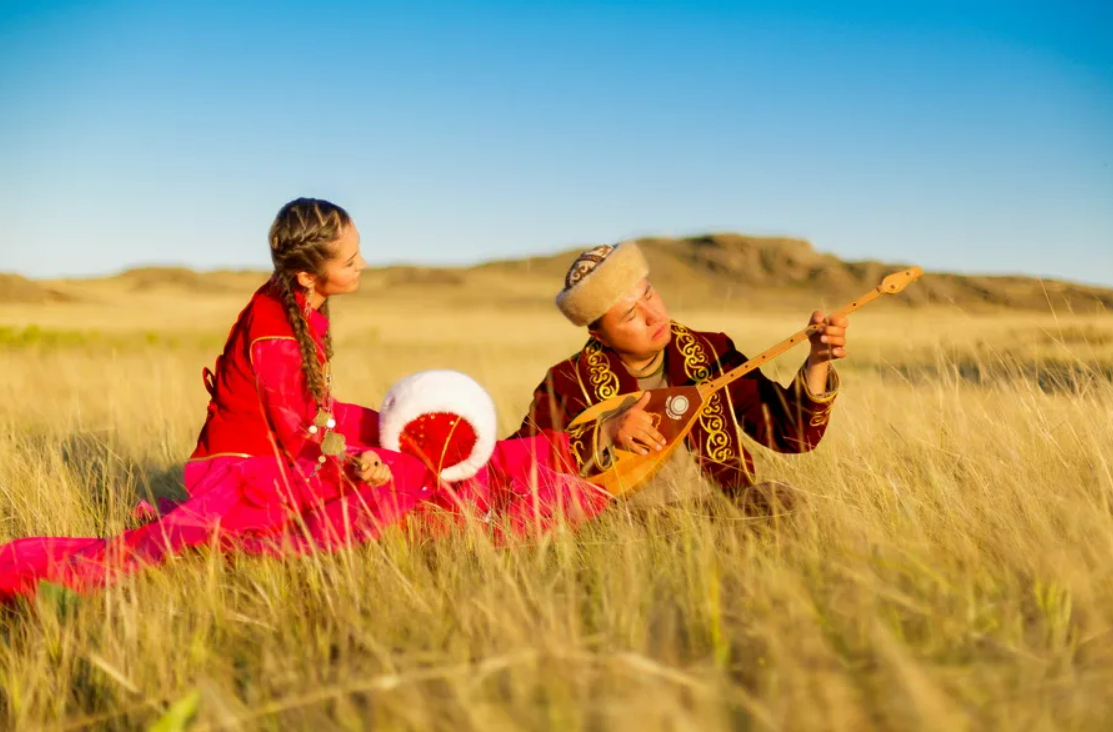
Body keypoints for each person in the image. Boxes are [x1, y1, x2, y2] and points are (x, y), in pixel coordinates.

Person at [0, 198, 608, 603]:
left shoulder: (305, 306)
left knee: (422, 433)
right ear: (307, 276)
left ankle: (538, 462)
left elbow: (313, 410)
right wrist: (356, 461)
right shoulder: (275, 331)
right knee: (395, 472)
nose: (363, 263)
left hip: (287, 444)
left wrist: (377, 429)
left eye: (358, 249)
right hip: (244, 468)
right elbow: (298, 433)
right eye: (350, 259)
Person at [511, 240, 848, 511]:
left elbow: (792, 435)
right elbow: (518, 466)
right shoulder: (568, 381)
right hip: (626, 525)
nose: (653, 315)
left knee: (785, 503)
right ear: (598, 335)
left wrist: (818, 360)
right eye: (630, 315)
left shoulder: (712, 352)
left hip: (725, 508)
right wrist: (603, 433)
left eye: (649, 294)